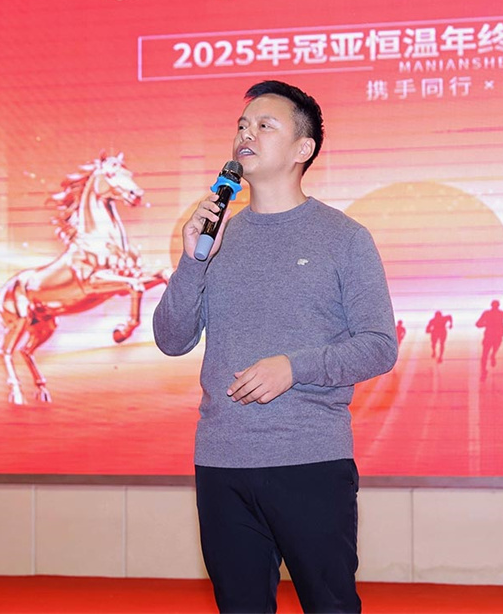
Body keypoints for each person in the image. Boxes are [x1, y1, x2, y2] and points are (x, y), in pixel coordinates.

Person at [152, 81, 398, 614]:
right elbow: (171, 339)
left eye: (265, 125)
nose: (247, 133)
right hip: (222, 460)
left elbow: (379, 346)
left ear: (303, 148)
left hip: (310, 458)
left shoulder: (344, 238)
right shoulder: (215, 237)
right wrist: (193, 260)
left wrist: (294, 366)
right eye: (242, 125)